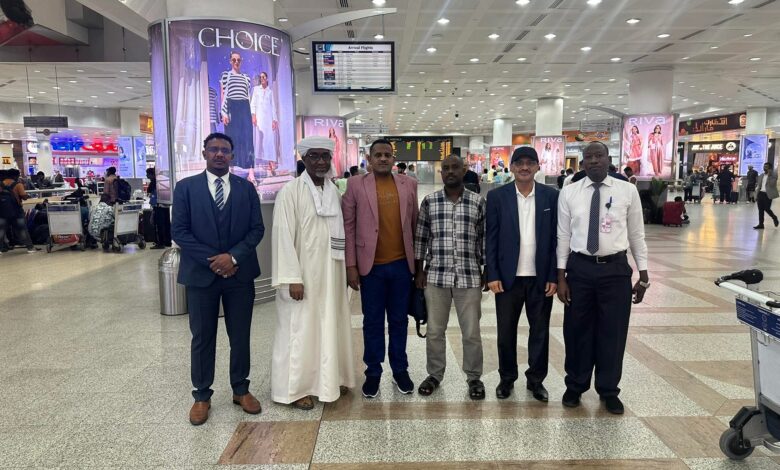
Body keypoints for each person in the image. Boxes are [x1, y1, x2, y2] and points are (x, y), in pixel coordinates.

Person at [171, 132, 265, 426]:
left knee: (240, 335)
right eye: (214, 149)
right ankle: (201, 395)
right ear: (204, 153)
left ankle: (241, 389)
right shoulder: (186, 188)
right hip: (201, 276)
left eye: (225, 149)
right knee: (202, 337)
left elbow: (257, 229)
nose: (219, 154)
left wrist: (233, 258)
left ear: (232, 155)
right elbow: (180, 231)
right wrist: (215, 260)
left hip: (239, 274)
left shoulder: (246, 188)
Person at [557, 141, 649, 415]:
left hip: (615, 270)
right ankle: (575, 385)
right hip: (580, 269)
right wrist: (561, 276)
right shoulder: (569, 192)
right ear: (583, 162)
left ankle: (608, 390)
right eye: (589, 157)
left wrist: (643, 274)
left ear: (609, 160)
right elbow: (563, 235)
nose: (594, 161)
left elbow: (637, 234)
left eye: (599, 156)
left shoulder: (627, 190)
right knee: (576, 331)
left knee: (613, 332)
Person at [271, 136, 355, 410]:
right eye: (314, 156)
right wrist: (292, 278)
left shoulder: (334, 192)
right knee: (299, 330)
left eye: (325, 156)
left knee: (330, 325)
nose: (320, 161)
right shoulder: (290, 192)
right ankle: (296, 389)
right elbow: (283, 237)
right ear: (303, 159)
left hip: (332, 273)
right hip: (302, 278)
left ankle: (330, 380)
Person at [342, 138, 418, 398]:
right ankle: (373, 371)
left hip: (401, 266)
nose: (383, 158)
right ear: (369, 159)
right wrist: (351, 265)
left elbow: (415, 224)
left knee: (399, 320)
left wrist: (419, 266)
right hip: (371, 267)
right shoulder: (355, 184)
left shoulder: (409, 184)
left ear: (393, 159)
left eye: (387, 154)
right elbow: (348, 226)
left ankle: (400, 369)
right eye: (378, 155)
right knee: (372, 321)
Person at [486, 147, 558, 402]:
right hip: (508, 279)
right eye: (519, 163)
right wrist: (492, 274)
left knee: (540, 331)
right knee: (506, 332)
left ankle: (536, 381)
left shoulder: (551, 196)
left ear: (538, 166)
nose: (525, 167)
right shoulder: (497, 197)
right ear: (512, 167)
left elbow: (556, 239)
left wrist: (553, 275)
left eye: (530, 162)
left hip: (540, 278)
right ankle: (507, 378)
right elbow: (491, 238)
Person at [414, 154, 486, 400]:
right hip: (436, 276)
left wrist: (486, 270)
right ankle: (434, 375)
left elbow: (483, 239)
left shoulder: (478, 202)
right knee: (435, 331)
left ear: (464, 170)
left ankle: (474, 377)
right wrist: (419, 271)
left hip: (469, 276)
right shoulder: (430, 201)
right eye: (446, 168)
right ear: (441, 172)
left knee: (471, 332)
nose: (451, 171)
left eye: (455, 167)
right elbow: (421, 238)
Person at [220, 51, 256, 183]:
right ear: (230, 61)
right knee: (231, 139)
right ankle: (230, 171)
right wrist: (223, 113)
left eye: (238, 60)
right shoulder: (226, 75)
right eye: (234, 60)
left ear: (241, 61)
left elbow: (248, 97)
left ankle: (251, 173)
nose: (236, 62)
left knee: (248, 139)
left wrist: (252, 114)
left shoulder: (246, 78)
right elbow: (223, 95)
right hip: (232, 108)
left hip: (244, 108)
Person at [0, 169, 36, 253]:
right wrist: (27, 196)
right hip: (16, 211)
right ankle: (30, 248)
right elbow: (24, 196)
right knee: (22, 229)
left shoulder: (1, 184)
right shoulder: (18, 184)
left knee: (1, 230)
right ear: (15, 176)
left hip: (2, 212)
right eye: (18, 175)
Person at [250, 71, 279, 165]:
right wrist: (253, 116)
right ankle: (257, 162)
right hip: (259, 119)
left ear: (267, 79)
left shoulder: (270, 91)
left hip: (268, 119)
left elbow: (273, 106)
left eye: (263, 77)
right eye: (261, 77)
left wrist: (274, 120)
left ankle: (271, 161)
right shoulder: (256, 89)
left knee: (269, 139)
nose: (262, 79)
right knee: (259, 139)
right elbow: (253, 104)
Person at [146, 167, 171, 249]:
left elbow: (149, 191)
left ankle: (160, 243)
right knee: (166, 224)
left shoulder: (154, 182)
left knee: (159, 225)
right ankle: (168, 241)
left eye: (148, 174)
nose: (147, 176)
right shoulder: (165, 180)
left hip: (158, 205)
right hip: (166, 204)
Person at [754, 162, 779, 230]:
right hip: (761, 193)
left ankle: (774, 217)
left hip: (768, 194)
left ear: (770, 168)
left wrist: (769, 175)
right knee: (760, 210)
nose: (765, 168)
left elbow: (772, 184)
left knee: (766, 208)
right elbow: (759, 186)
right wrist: (756, 195)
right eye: (764, 166)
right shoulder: (761, 175)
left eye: (766, 167)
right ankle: (761, 224)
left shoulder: (774, 175)